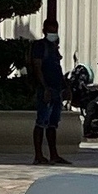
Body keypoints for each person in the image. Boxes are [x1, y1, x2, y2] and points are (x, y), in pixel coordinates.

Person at [28, 20, 69, 165]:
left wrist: (65, 88)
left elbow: (58, 68)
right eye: (51, 30)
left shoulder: (53, 47)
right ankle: (38, 155)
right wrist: (44, 87)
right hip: (46, 89)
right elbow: (37, 66)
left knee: (53, 124)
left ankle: (54, 154)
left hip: (56, 88)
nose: (53, 33)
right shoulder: (40, 46)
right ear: (44, 30)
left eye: (55, 30)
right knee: (41, 122)